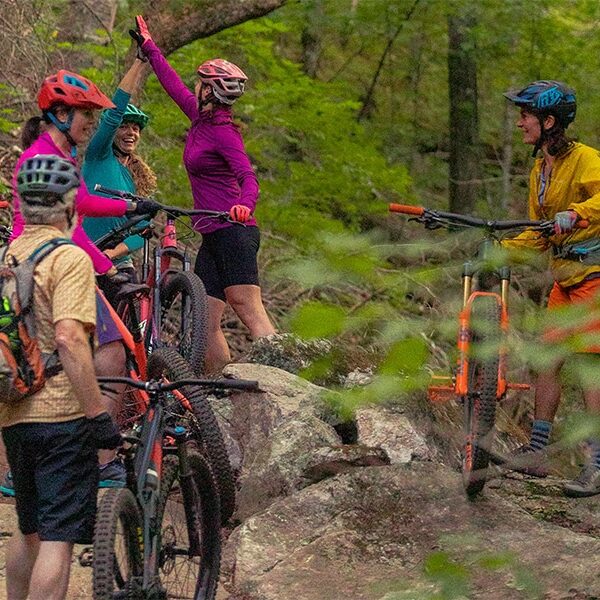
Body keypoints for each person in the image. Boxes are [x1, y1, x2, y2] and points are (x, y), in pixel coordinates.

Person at [1, 155, 121, 600]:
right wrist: (96, 414)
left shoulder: (6, 254)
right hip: (60, 416)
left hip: (13, 412)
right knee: (57, 539)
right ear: (71, 205)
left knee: (28, 528)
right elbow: (70, 338)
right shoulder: (68, 258)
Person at [131, 15, 276, 373]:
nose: (195, 87)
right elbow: (172, 85)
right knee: (206, 324)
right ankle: (211, 393)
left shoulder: (225, 132)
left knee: (247, 307)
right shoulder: (200, 119)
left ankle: (285, 376)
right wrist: (150, 48)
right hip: (211, 235)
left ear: (210, 90)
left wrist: (244, 205)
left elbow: (248, 177)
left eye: (201, 83)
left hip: (234, 231)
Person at [502, 80, 600, 497]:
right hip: (565, 281)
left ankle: (598, 463)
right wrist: (500, 246)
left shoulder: (587, 160)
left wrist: (576, 213)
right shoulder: (539, 169)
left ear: (548, 121)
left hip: (595, 277)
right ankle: (537, 452)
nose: (520, 122)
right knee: (547, 361)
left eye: (526, 115)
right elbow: (537, 233)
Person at [82, 58, 157, 305]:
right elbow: (113, 115)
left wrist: (114, 252)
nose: (131, 133)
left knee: (127, 333)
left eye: (136, 129)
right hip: (84, 258)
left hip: (120, 263)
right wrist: (139, 64)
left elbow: (141, 230)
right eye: (125, 127)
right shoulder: (98, 155)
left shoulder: (135, 180)